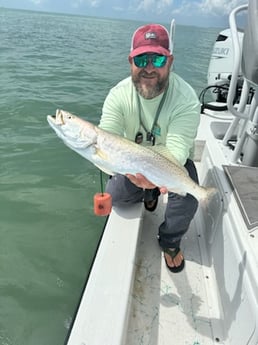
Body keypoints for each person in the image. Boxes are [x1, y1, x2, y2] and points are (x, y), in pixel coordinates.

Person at [99, 24, 201, 273]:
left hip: (170, 163)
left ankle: (169, 241)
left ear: (170, 61)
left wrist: (155, 177)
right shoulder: (117, 95)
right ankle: (149, 194)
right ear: (130, 61)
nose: (149, 67)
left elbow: (176, 152)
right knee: (117, 195)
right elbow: (106, 138)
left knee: (188, 201)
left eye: (157, 58)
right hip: (131, 159)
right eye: (141, 59)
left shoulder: (186, 99)